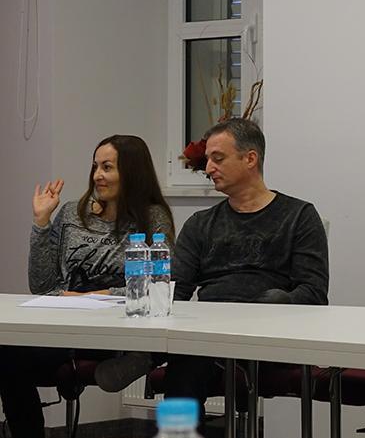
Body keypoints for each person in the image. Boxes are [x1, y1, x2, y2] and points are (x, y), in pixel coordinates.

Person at [0, 135, 174, 438]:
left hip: (117, 325)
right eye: (95, 166)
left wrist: (100, 295)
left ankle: (137, 357)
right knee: (7, 355)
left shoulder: (153, 218)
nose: (97, 175)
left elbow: (159, 286)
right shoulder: (72, 213)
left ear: (132, 171)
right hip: (66, 324)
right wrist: (41, 223)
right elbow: (41, 286)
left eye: (107, 167)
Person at [160, 118, 329, 420]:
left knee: (189, 359)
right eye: (207, 159)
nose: (208, 168)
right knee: (187, 355)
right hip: (209, 335)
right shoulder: (200, 224)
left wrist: (273, 303)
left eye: (218, 158)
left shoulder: (299, 216)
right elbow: (175, 289)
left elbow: (313, 293)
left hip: (269, 335)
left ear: (250, 158)